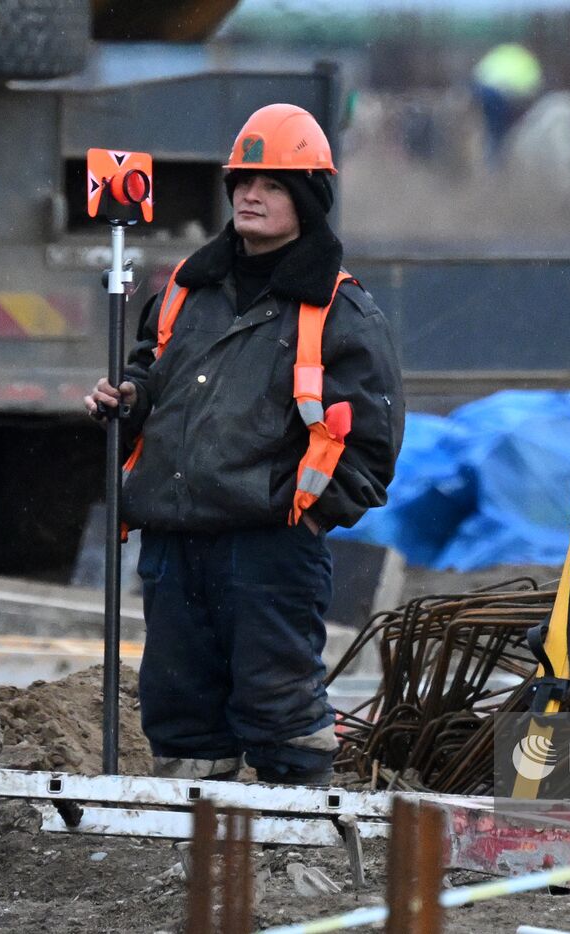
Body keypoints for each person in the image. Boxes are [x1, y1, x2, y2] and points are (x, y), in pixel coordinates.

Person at [85, 103, 405, 785]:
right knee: (181, 714)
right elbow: (153, 371)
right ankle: (193, 838)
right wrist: (131, 398)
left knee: (279, 710)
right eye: (243, 182)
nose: (250, 195)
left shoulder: (340, 310)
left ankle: (296, 837)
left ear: (307, 200)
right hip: (174, 543)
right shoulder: (186, 290)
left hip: (268, 551)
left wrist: (305, 516)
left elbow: (373, 443)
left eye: (273, 184)